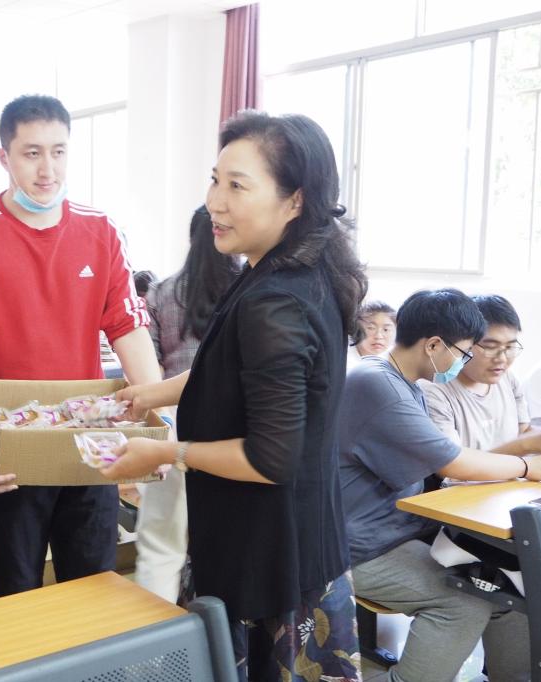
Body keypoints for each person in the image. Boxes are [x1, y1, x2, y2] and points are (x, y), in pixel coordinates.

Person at [101, 112, 367, 680]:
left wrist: (165, 452)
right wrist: (151, 393)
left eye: (238, 186)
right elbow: (231, 374)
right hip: (289, 540)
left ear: (294, 201)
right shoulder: (286, 272)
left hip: (267, 560)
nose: (215, 202)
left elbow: (270, 460)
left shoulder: (276, 301)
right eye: (215, 180)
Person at [0, 94, 160, 598]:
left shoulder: (100, 230)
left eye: (59, 151)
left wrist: (158, 424)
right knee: (12, 592)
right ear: (4, 156)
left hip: (89, 441)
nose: (47, 169)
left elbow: (128, 327)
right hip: (9, 443)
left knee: (93, 587)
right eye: (31, 153)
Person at [339, 288, 541, 682]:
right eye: (465, 352)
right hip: (355, 548)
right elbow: (452, 460)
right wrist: (526, 464)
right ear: (434, 345)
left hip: (392, 531)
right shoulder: (379, 385)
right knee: (464, 604)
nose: (464, 362)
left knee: (510, 586)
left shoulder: (401, 383)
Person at [135, 206, 238, 602]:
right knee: (227, 539)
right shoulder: (247, 288)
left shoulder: (161, 291)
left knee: (161, 544)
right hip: (231, 429)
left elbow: (149, 367)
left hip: (173, 422)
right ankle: (220, 628)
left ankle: (158, 634)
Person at [422, 294, 530, 455]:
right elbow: (454, 463)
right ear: (462, 344)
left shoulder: (508, 379)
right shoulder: (434, 391)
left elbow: (524, 434)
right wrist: (526, 445)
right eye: (490, 347)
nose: (502, 358)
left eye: (509, 347)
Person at [347, 300, 396, 373]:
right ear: (357, 328)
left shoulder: (392, 360)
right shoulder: (344, 355)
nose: (378, 336)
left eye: (386, 330)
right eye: (371, 328)